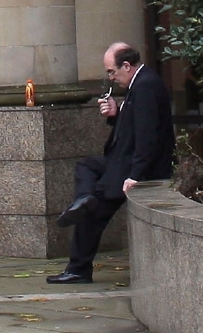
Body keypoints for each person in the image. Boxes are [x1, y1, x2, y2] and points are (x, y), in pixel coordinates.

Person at [47, 42, 173, 284]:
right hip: (121, 161)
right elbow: (134, 127)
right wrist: (116, 114)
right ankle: (83, 200)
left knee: (91, 218)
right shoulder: (141, 83)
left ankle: (78, 267)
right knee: (86, 167)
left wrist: (136, 175)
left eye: (112, 72)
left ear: (126, 65)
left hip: (131, 167)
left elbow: (148, 136)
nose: (111, 78)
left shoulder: (145, 86)